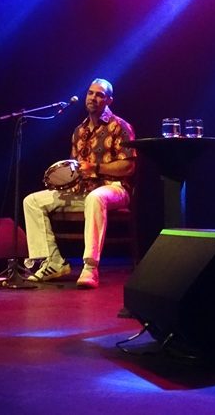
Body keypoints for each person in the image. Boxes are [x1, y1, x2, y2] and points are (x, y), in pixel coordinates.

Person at [23, 78, 136, 289]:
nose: (93, 97)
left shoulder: (120, 126)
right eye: (90, 93)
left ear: (109, 100)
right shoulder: (79, 130)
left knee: (95, 197)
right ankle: (52, 261)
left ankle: (90, 267)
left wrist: (95, 168)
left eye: (100, 95)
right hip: (83, 191)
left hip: (115, 189)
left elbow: (128, 168)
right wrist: (62, 179)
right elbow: (77, 168)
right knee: (33, 201)